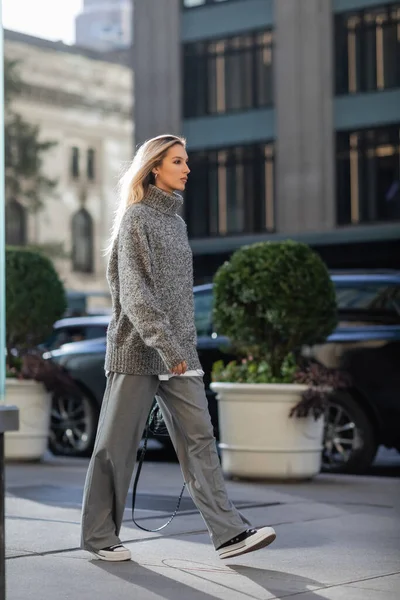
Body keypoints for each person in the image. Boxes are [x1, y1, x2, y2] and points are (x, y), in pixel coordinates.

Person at [80, 134, 276, 562]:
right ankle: (99, 536)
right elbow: (136, 295)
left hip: (180, 354)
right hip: (138, 351)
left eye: (186, 161)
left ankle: (228, 534)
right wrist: (167, 346)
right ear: (155, 167)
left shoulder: (176, 221)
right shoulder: (137, 218)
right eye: (178, 161)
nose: (187, 168)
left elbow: (177, 298)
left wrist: (181, 349)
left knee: (200, 439)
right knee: (115, 446)